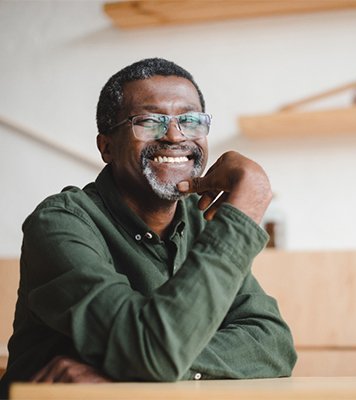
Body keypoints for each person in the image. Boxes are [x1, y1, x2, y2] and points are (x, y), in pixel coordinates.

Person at [0, 58, 296, 397]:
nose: (174, 135)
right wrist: (244, 209)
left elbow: (273, 345)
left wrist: (138, 370)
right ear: (106, 147)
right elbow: (152, 351)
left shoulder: (201, 220)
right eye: (150, 121)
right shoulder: (60, 223)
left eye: (190, 120)